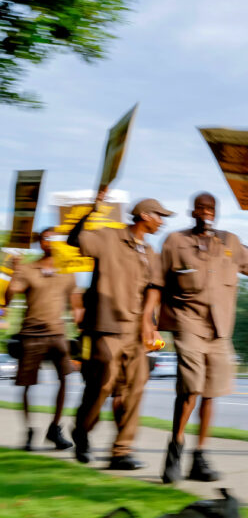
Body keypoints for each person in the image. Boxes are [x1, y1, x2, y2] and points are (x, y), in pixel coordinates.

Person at [157, 192, 248, 484]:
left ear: (216, 212)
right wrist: (152, 324)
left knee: (210, 392)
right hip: (188, 324)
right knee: (190, 389)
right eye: (201, 208)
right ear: (192, 211)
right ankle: (176, 447)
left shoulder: (230, 242)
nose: (206, 212)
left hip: (220, 329)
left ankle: (200, 455)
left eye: (211, 208)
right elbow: (157, 283)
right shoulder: (175, 242)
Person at [68, 191, 170, 469]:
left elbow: (154, 290)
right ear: (145, 216)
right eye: (159, 216)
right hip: (105, 328)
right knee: (102, 384)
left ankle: (121, 451)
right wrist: (93, 209)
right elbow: (75, 239)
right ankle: (82, 430)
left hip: (137, 333)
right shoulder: (109, 237)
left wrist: (149, 323)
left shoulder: (151, 252)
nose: (162, 222)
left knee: (135, 389)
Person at [4, 228, 83, 451]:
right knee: (28, 385)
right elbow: (9, 298)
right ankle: (30, 431)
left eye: (56, 239)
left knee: (66, 381)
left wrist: (80, 327)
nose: (52, 242)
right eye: (47, 238)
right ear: (40, 242)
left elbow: (76, 305)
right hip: (31, 334)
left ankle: (54, 429)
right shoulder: (27, 269)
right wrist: (14, 273)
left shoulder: (68, 271)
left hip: (58, 334)